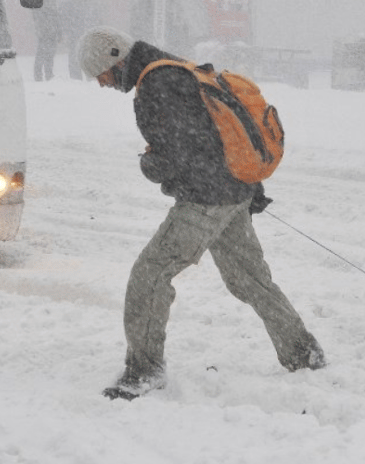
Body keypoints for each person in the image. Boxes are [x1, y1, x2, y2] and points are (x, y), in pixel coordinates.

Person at [79, 26, 325, 400]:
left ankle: (144, 372)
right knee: (249, 280)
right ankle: (302, 352)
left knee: (149, 275)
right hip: (231, 194)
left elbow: (181, 149)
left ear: (115, 58)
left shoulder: (156, 84)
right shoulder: (178, 69)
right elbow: (219, 133)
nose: (101, 84)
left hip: (206, 200)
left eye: (101, 75)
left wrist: (150, 165)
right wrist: (247, 187)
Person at [32, 6, 63, 81]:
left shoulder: (40, 12)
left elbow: (58, 25)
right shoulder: (53, 13)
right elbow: (58, 25)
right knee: (48, 58)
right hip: (49, 37)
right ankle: (47, 75)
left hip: (45, 37)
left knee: (42, 58)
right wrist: (59, 35)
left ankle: (40, 76)